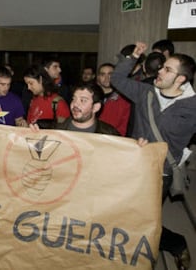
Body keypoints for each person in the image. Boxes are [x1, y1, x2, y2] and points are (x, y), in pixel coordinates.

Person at [111, 42, 195, 270]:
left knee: (144, 217)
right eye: (161, 67)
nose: (159, 70)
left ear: (181, 80)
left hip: (162, 172)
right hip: (135, 165)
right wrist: (132, 57)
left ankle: (176, 244)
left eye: (167, 69)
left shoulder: (191, 107)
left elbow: (169, 134)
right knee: (131, 214)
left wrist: (149, 142)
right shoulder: (146, 91)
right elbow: (116, 80)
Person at [52, 82, 120, 135]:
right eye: (74, 99)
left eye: (83, 100)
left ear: (96, 107)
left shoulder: (109, 136)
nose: (75, 104)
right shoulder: (56, 131)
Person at [23, 64, 70, 128]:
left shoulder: (58, 103)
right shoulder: (33, 100)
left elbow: (65, 130)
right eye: (27, 84)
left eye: (31, 83)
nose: (28, 87)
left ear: (40, 79)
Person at [96, 63, 131, 136]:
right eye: (103, 74)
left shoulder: (124, 99)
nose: (106, 78)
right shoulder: (91, 97)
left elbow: (124, 126)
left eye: (110, 74)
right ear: (98, 77)